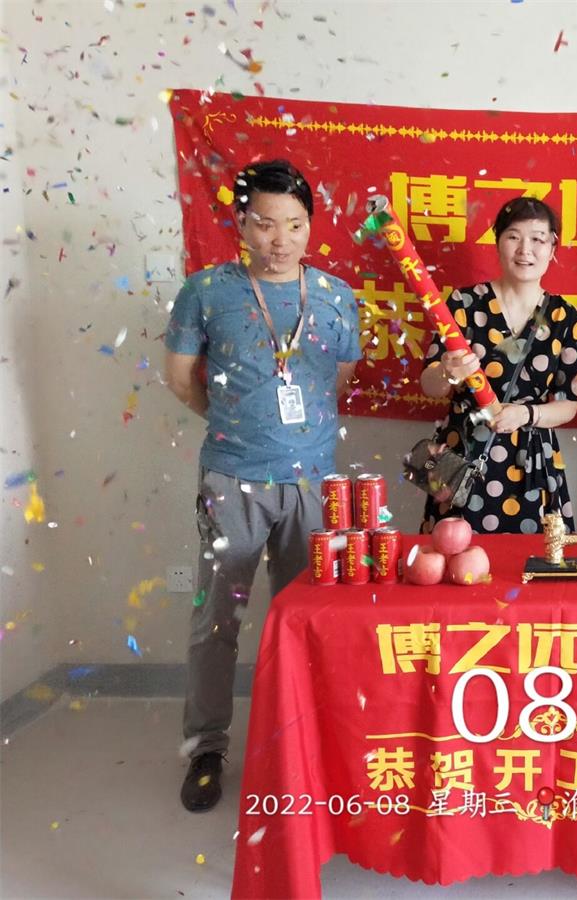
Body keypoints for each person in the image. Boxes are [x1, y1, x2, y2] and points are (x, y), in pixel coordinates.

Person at [164, 159, 361, 812]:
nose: (281, 239)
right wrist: (235, 428)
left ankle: (305, 745)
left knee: (310, 623)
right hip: (232, 480)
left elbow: (338, 383)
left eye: (295, 224)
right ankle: (206, 747)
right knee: (215, 620)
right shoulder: (206, 291)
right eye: (265, 224)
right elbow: (180, 377)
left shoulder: (335, 296)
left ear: (311, 226)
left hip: (313, 486)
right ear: (241, 224)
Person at [418, 197, 577, 534]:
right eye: (514, 237)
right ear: (498, 242)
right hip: (460, 455)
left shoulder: (566, 318)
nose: (525, 250)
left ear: (552, 249)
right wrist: (447, 370)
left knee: (536, 558)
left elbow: (569, 406)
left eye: (538, 239)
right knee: (452, 554)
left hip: (533, 464)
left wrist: (525, 415)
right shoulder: (463, 304)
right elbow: (430, 385)